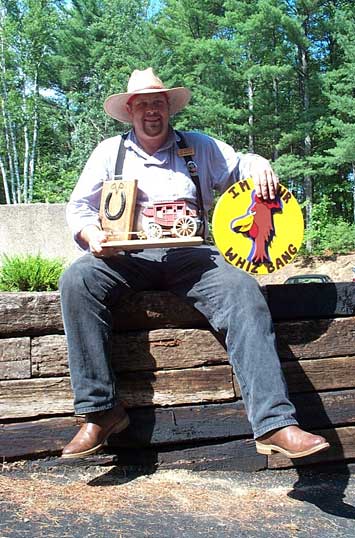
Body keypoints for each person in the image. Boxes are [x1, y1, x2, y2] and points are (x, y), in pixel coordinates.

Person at [60, 67, 330, 460]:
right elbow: (79, 207)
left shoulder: (200, 146)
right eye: (143, 105)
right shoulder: (108, 152)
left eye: (158, 103)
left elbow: (241, 165)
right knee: (77, 279)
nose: (151, 112)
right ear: (130, 110)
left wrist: (260, 166)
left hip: (192, 255)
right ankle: (101, 411)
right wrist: (91, 236)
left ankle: (275, 424)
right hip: (127, 255)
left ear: (168, 107)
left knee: (242, 290)